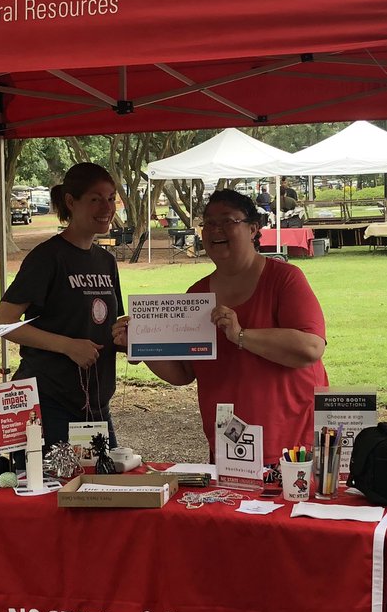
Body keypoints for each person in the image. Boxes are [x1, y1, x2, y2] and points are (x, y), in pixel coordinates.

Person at [132, 189, 327, 465]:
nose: (215, 230)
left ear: (252, 229)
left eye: (227, 221)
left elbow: (311, 347)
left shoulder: (285, 279)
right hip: (229, 443)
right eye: (208, 223)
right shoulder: (196, 295)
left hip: (292, 442)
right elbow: (183, 373)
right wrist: (141, 346)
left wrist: (240, 335)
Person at [0, 162, 124, 449]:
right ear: (70, 201)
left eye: (111, 198)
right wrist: (68, 346)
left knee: (102, 488)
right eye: (95, 199)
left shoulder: (106, 261)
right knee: (56, 491)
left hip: (95, 402)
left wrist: (135, 340)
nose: (107, 207)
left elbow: (111, 327)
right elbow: (2, 324)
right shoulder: (47, 257)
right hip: (49, 400)